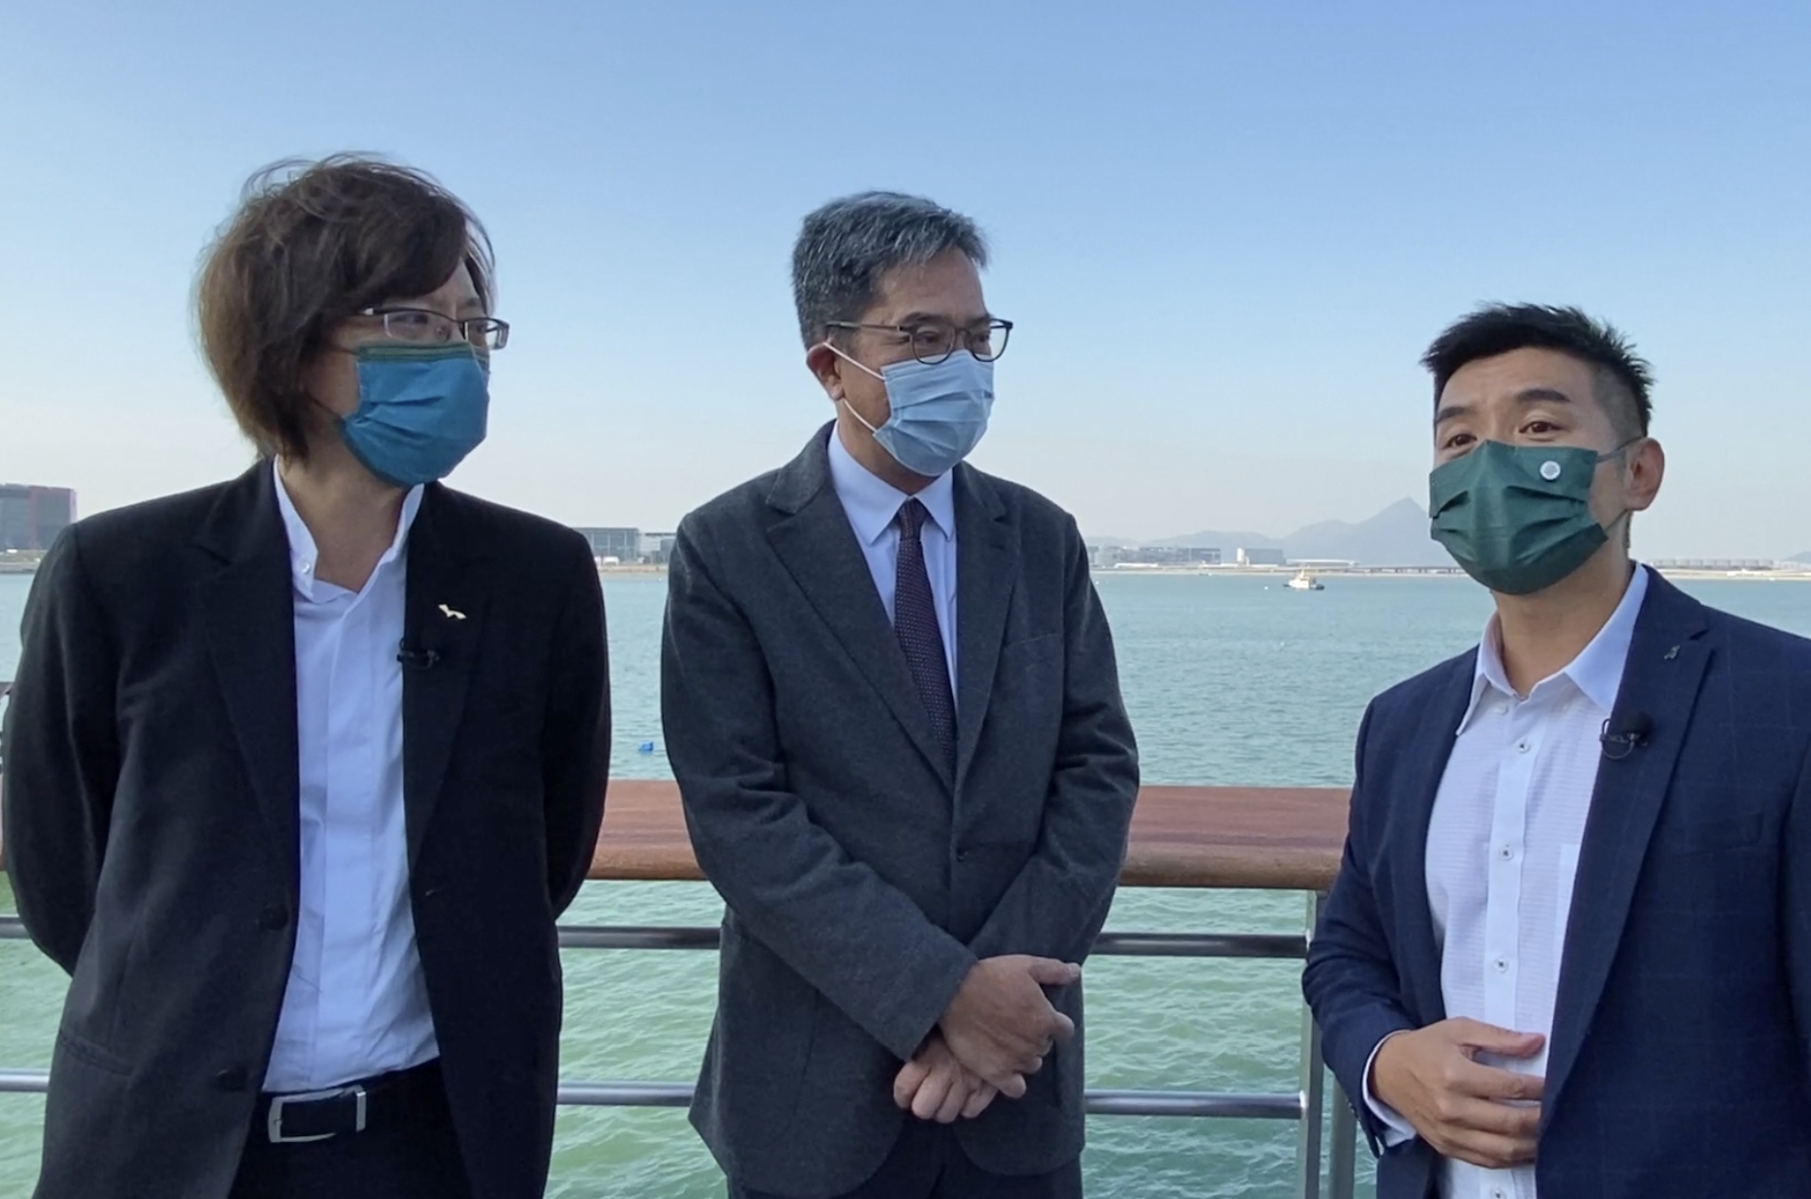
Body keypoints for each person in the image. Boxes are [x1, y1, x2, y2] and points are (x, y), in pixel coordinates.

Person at [0, 155, 611, 1199]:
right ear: (291, 346)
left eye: (472, 327)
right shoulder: (119, 572)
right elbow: (63, 866)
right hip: (165, 1136)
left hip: (441, 1137)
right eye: (415, 323)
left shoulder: (535, 577)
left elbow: (546, 848)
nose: (460, 356)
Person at [1301, 304, 1811, 1199]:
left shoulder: (1809, 705)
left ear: (1639, 473)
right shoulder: (1404, 724)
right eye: (1459, 440)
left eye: (1539, 427)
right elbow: (1347, 953)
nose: (1493, 463)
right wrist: (1388, 1062)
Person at [659, 191, 1140, 1199]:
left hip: (1016, 1079)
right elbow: (740, 813)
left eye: (977, 337)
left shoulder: (1039, 537)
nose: (960, 367)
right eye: (922, 337)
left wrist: (991, 1006)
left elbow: (1095, 767)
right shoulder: (729, 547)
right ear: (831, 365)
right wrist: (937, 995)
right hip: (809, 1095)